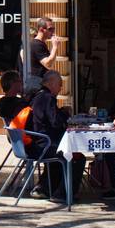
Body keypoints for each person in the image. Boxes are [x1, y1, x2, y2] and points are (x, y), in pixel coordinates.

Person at [26, 70, 82, 202]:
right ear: (51, 83)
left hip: (36, 144)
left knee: (62, 152)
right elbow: (56, 122)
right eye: (59, 84)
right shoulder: (48, 98)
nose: (61, 87)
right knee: (77, 157)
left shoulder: (36, 96)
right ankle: (62, 194)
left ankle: (44, 189)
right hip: (44, 145)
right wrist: (65, 112)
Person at [22, 16, 61, 94]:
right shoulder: (37, 45)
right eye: (50, 29)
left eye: (54, 29)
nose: (53, 32)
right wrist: (55, 47)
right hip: (36, 86)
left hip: (36, 83)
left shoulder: (39, 44)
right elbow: (48, 64)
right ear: (41, 30)